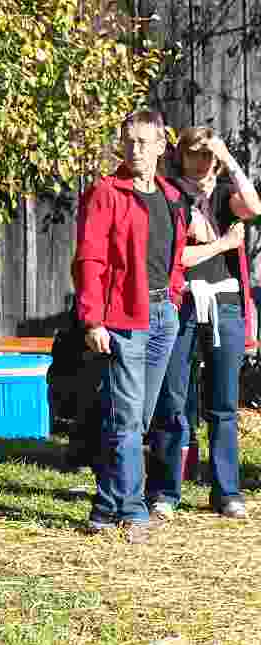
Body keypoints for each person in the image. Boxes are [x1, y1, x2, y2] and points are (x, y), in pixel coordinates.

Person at [74, 110, 190, 543]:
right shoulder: (106, 193)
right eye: (128, 141)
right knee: (126, 417)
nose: (134, 149)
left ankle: (104, 507)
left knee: (136, 417)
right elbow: (89, 259)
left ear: (161, 145)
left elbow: (176, 255)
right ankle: (133, 510)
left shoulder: (171, 196)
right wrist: (93, 320)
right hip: (123, 317)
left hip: (163, 316)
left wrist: (174, 298)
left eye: (143, 141)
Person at [147, 128, 261, 520]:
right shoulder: (170, 196)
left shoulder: (225, 193)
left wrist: (227, 158)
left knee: (224, 405)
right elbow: (175, 258)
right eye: (194, 153)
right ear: (180, 156)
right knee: (172, 401)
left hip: (224, 305)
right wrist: (222, 245)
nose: (201, 161)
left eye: (207, 154)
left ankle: (227, 492)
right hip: (180, 304)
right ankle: (165, 492)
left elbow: (254, 207)